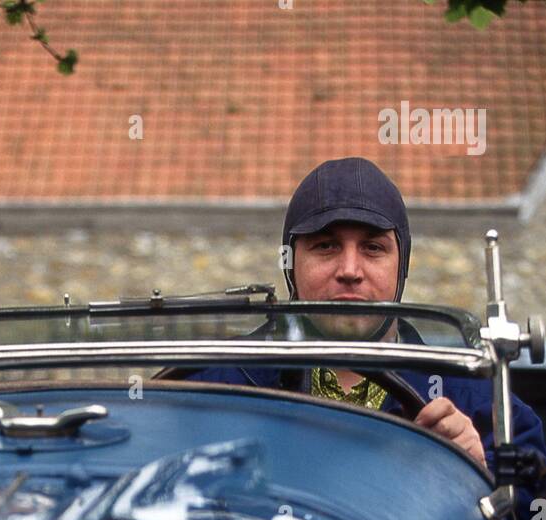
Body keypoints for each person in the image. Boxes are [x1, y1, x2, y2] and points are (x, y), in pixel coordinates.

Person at [184, 157, 545, 475]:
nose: (350, 270)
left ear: (401, 265)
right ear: (290, 265)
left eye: (373, 248)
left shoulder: (479, 405)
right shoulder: (213, 388)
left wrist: (475, 473)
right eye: (326, 246)